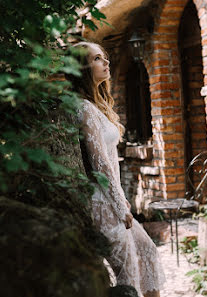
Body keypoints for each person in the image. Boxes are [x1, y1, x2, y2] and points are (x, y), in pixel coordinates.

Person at [66, 41, 166, 297]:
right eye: (98, 58)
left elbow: (110, 161)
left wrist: (121, 199)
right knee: (127, 273)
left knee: (147, 251)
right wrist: (120, 207)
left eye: (105, 57)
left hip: (112, 199)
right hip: (100, 203)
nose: (106, 62)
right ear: (82, 68)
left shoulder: (96, 107)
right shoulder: (84, 109)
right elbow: (100, 163)